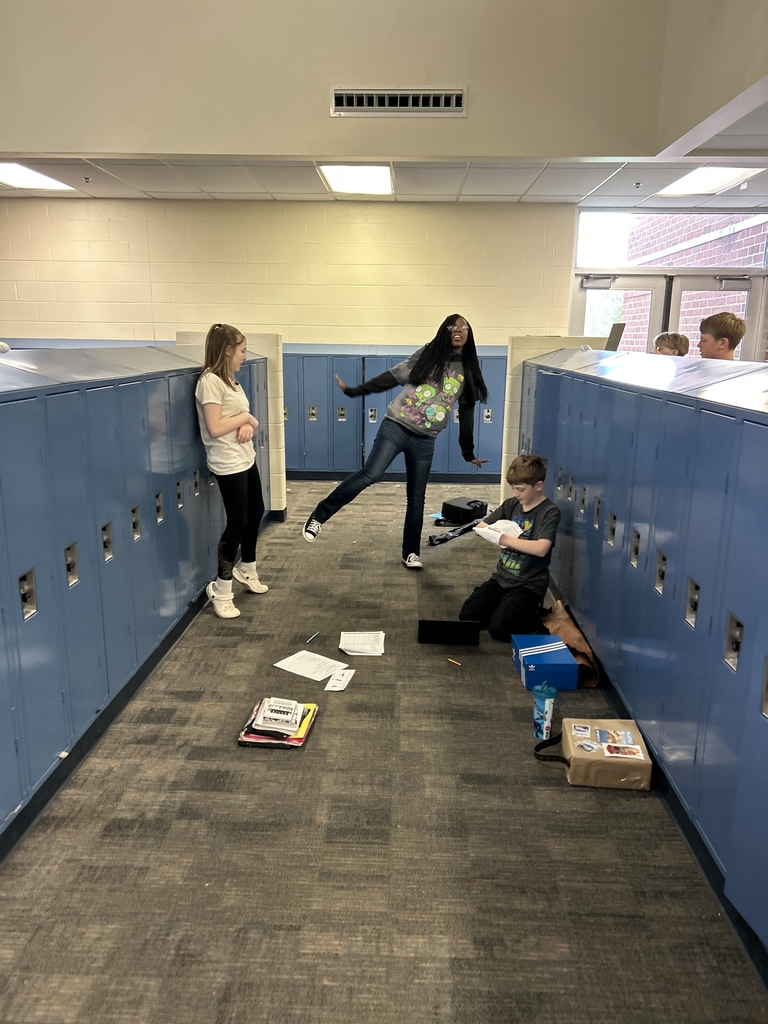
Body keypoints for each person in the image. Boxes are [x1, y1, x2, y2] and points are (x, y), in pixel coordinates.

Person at [301, 314, 489, 568]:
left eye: (464, 327)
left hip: (426, 439)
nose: (458, 330)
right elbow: (394, 376)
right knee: (372, 473)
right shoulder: (429, 354)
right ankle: (319, 515)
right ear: (444, 331)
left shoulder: (468, 369)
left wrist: (468, 452)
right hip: (397, 425)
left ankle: (410, 552)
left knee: (416, 497)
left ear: (469, 334)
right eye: (452, 326)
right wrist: (357, 390)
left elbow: (466, 412)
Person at [195, 323, 268, 619]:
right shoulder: (210, 381)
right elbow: (214, 427)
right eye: (241, 350)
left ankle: (247, 569)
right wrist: (247, 417)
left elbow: (240, 422)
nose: (245, 356)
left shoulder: (231, 381)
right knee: (237, 523)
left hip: (244, 457)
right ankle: (221, 589)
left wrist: (248, 424)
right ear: (227, 351)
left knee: (257, 509)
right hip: (227, 463)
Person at [459, 454, 560, 641]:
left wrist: (504, 537)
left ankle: (529, 614)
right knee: (468, 616)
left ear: (538, 486)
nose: (515, 493)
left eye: (520, 489)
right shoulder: (511, 505)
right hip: (502, 578)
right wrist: (496, 531)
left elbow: (541, 548)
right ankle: (506, 609)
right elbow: (481, 526)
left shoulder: (549, 512)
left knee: (499, 631)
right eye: (513, 488)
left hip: (528, 585)